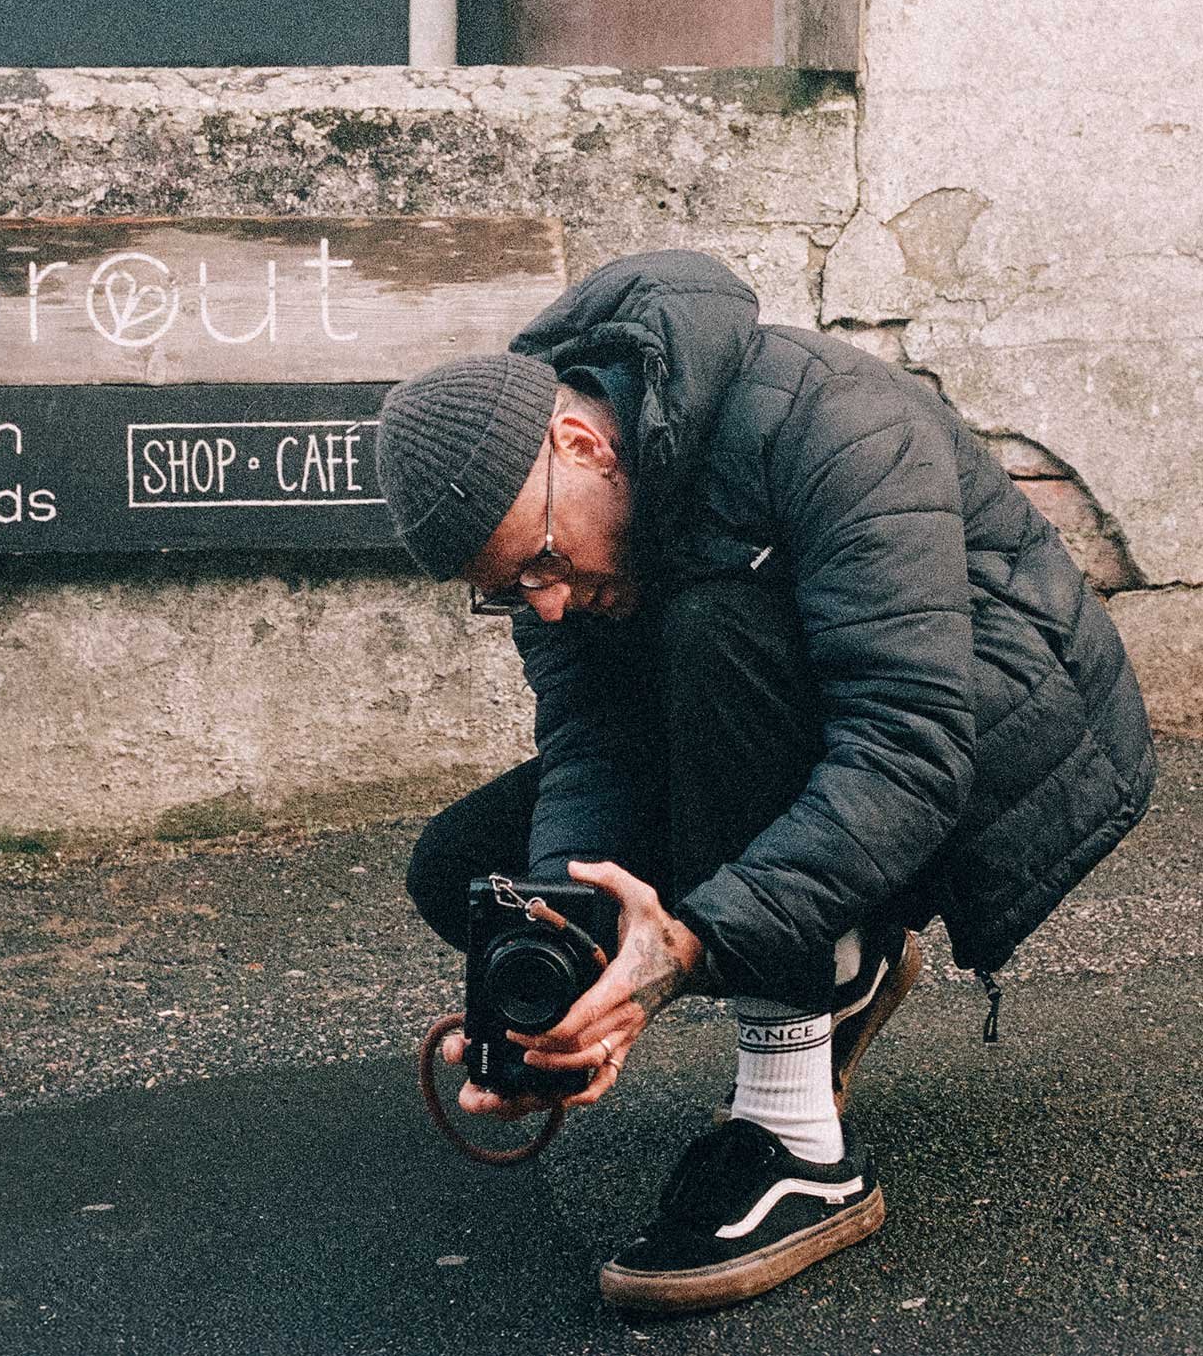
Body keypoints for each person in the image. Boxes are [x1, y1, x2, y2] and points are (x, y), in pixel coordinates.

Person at [374, 250, 1154, 1315]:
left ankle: (799, 1146)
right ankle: (847, 957)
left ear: (581, 442)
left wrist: (686, 946)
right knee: (473, 874)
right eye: (510, 594)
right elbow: (595, 748)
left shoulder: (833, 420)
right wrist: (558, 958)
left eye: (542, 566)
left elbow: (909, 749)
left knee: (711, 627)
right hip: (807, 738)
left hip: (1000, 742)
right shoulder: (559, 542)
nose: (542, 604)